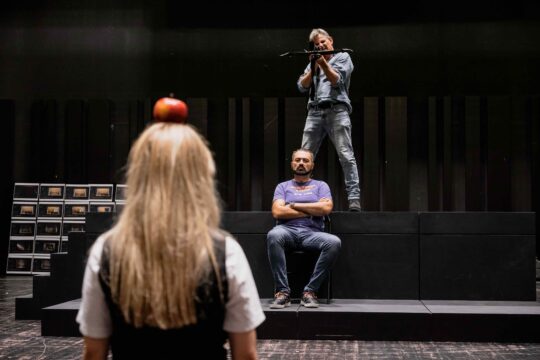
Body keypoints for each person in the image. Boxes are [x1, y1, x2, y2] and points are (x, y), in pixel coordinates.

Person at [76, 121, 265, 359]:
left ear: (137, 174)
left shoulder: (105, 249)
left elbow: (94, 353)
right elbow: (246, 354)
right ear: (202, 176)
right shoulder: (226, 252)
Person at [266, 149, 341, 309]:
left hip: (313, 234)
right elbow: (278, 212)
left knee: (334, 242)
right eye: (298, 160)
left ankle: (309, 292)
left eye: (305, 160)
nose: (301, 163)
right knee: (273, 235)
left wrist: (294, 206)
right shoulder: (283, 186)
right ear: (292, 163)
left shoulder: (321, 186)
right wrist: (311, 210)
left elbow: (326, 208)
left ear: (312, 164)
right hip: (287, 232)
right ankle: (283, 293)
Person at [297, 28, 361, 211]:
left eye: (322, 42)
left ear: (330, 40)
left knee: (346, 155)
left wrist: (322, 63)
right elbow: (301, 86)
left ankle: (354, 198)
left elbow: (337, 80)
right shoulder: (313, 63)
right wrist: (314, 66)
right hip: (314, 112)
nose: (320, 46)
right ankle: (300, 195)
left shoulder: (342, 57)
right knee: (304, 156)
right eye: (316, 45)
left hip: (337, 111)